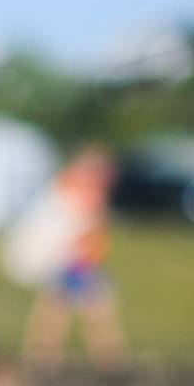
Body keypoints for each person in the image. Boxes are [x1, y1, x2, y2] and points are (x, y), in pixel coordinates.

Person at [21, 149, 126, 372]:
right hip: (74, 262)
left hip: (74, 261)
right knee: (91, 310)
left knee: (62, 309)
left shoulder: (65, 192)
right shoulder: (75, 195)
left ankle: (42, 357)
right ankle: (108, 359)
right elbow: (80, 233)